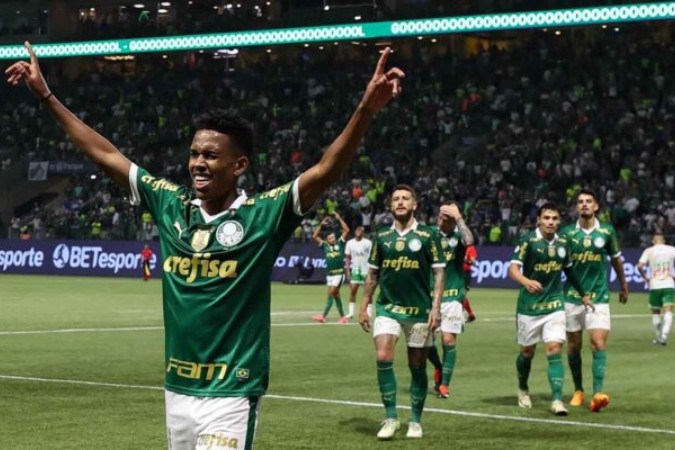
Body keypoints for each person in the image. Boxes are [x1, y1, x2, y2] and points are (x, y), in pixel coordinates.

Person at [7, 42, 404, 449]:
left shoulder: (264, 214)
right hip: (177, 386)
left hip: (232, 390)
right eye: (194, 153)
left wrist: (365, 111)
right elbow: (104, 153)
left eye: (211, 156)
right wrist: (46, 96)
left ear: (239, 166)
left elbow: (324, 170)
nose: (198, 163)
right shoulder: (169, 202)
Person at [358, 184, 445, 440]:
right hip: (388, 308)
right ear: (390, 205)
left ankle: (415, 421)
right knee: (383, 356)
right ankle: (391, 418)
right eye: (396, 199)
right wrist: (365, 305)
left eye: (406, 198)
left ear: (414, 204)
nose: (400, 202)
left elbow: (440, 273)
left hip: (419, 311)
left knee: (417, 365)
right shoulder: (382, 237)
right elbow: (373, 274)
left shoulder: (429, 236)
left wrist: (436, 309)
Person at [508, 202, 591, 416]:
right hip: (529, 306)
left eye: (554, 218)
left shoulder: (564, 242)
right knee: (527, 352)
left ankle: (556, 400)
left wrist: (583, 294)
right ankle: (523, 387)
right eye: (547, 218)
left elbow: (570, 271)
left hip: (555, 304)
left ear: (559, 221)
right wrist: (526, 281)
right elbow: (513, 269)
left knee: (554, 349)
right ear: (539, 220)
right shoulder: (528, 241)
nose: (551, 222)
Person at [560, 189, 629, 413]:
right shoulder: (568, 234)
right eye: (580, 202)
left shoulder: (607, 232)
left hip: (599, 296)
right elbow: (558, 264)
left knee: (598, 343)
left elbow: (617, 261)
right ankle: (578, 390)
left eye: (588, 201)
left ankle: (598, 393)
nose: (584, 205)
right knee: (574, 346)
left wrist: (623, 285)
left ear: (596, 206)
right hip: (572, 297)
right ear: (576, 207)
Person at [433, 201, 474, 399]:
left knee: (448, 340)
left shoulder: (459, 237)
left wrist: (458, 218)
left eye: (446, 218)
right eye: (440, 216)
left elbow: (470, 242)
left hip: (452, 296)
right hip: (428, 296)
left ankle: (444, 385)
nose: (441, 220)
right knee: (421, 344)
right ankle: (438, 366)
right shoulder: (428, 235)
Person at [312, 211, 350, 324]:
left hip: (339, 274)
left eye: (334, 237)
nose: (333, 239)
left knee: (331, 294)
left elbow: (347, 230)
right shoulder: (324, 246)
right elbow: (314, 236)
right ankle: (343, 317)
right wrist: (321, 225)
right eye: (331, 238)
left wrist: (339, 218)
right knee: (336, 295)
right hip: (330, 275)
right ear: (327, 240)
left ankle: (323, 316)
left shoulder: (340, 244)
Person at [637, 233, 675, 345]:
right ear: (664, 241)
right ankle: (664, 336)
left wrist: (645, 278)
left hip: (654, 285)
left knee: (656, 312)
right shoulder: (672, 249)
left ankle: (659, 337)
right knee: (668, 310)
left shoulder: (649, 251)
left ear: (653, 241)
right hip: (668, 284)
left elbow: (639, 266)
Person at [344, 225, 373, 319]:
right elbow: (347, 258)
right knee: (353, 291)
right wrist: (347, 271)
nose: (359, 231)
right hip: (356, 270)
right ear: (355, 231)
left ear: (363, 233)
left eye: (361, 230)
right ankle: (351, 313)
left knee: (369, 292)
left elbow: (373, 257)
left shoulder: (368, 243)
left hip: (366, 269)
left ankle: (369, 312)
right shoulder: (350, 243)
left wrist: (372, 270)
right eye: (358, 229)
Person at [462, 243, 478, 322]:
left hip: (465, 274)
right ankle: (470, 314)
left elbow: (473, 261)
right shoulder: (457, 246)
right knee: (460, 295)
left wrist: (466, 260)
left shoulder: (470, 248)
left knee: (461, 295)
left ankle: (468, 314)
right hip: (457, 273)